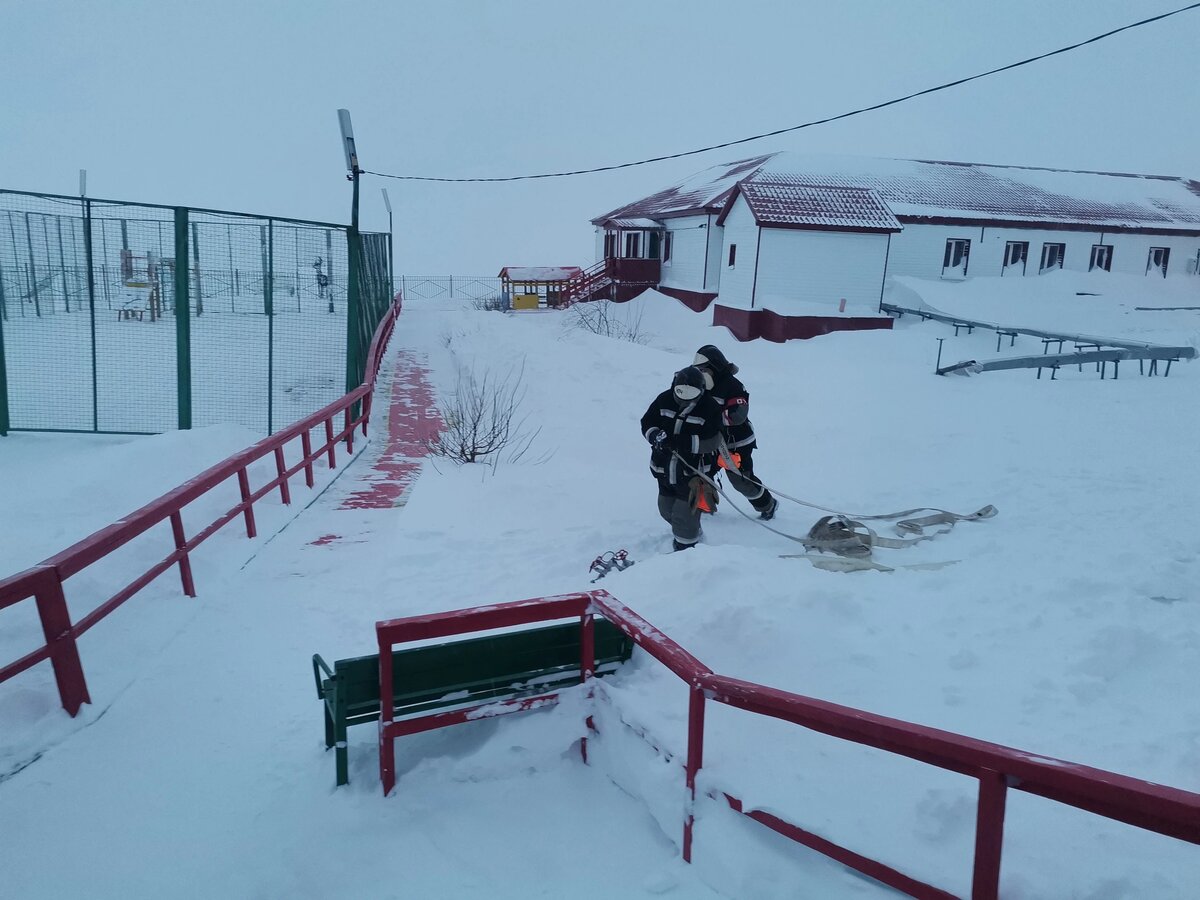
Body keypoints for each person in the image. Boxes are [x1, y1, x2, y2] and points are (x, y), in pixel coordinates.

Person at [640, 366, 724, 551]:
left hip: (692, 474)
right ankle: (689, 530)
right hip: (663, 469)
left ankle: (687, 548)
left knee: (684, 514)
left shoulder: (710, 408)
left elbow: (713, 441)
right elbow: (647, 422)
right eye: (680, 393)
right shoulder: (664, 399)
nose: (685, 398)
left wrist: (682, 442)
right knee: (666, 509)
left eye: (692, 393)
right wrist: (654, 437)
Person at [692, 344, 778, 520]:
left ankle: (767, 504)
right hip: (711, 440)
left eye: (703, 369)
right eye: (697, 370)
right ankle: (705, 507)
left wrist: (709, 418)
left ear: (714, 367)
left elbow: (737, 415)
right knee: (701, 473)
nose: (700, 373)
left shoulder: (733, 386)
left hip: (736, 442)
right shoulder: (700, 385)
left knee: (741, 480)